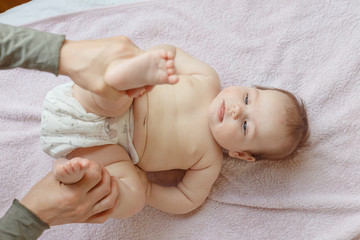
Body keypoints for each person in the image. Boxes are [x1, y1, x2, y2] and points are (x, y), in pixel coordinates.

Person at [41, 38, 310, 219]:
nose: (237, 109)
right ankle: (121, 79)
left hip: (109, 152)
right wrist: (152, 65)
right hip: (96, 103)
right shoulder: (207, 79)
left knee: (130, 200)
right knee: (118, 91)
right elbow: (172, 53)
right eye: (248, 98)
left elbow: (187, 200)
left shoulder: (209, 162)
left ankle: (76, 179)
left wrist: (146, 190)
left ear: (241, 154)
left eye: (245, 126)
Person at [0, 23, 145, 239]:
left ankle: (71, 170)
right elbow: (188, 199)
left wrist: (62, 53)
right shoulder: (208, 83)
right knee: (131, 199)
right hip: (110, 153)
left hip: (82, 111)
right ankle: (75, 176)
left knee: (113, 96)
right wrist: (31, 215)